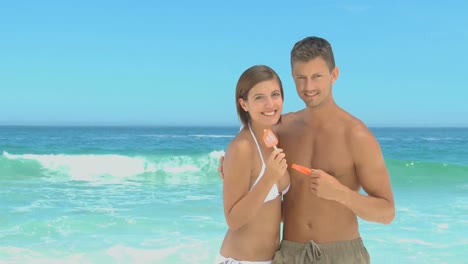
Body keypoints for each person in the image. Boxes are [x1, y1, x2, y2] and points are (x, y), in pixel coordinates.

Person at [220, 37, 395, 264]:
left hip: (341, 254)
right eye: (301, 78)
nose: (308, 87)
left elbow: (387, 212)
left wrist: (341, 193)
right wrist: (231, 168)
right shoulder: (283, 129)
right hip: (289, 254)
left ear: (334, 75)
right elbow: (249, 145)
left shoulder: (356, 136)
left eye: (317, 77)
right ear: (292, 78)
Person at [215, 65, 291, 264]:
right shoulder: (242, 147)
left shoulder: (278, 139)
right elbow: (233, 220)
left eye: (275, 94)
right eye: (259, 97)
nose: (270, 104)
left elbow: (274, 212)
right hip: (239, 260)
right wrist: (268, 179)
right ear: (244, 104)